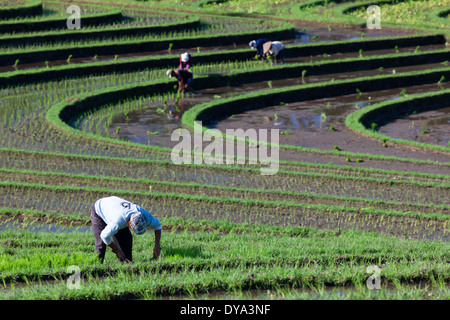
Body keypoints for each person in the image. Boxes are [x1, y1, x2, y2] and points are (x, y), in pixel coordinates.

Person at [90, 196, 161, 263]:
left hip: (115, 208)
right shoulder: (118, 221)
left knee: (126, 239)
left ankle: (125, 266)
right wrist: (117, 251)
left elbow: (158, 226)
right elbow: (104, 236)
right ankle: (96, 267)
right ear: (130, 223)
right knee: (101, 244)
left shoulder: (145, 215)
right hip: (99, 208)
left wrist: (156, 246)